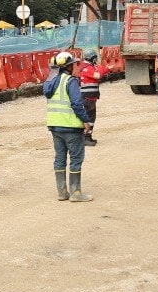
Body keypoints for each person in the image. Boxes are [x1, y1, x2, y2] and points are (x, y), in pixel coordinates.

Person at [43, 51, 93, 202]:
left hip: (55, 126)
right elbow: (77, 104)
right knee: (76, 158)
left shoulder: (50, 81)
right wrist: (86, 120)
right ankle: (75, 193)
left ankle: (62, 192)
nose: (77, 67)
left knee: (59, 158)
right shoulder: (70, 81)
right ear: (68, 67)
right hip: (71, 126)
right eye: (75, 64)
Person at [78, 48, 109, 146]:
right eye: (95, 58)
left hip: (89, 97)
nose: (96, 60)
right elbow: (98, 75)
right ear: (92, 58)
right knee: (90, 117)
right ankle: (86, 137)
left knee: (90, 117)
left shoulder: (86, 67)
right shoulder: (87, 68)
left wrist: (104, 69)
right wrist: (102, 67)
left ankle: (88, 136)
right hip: (88, 98)